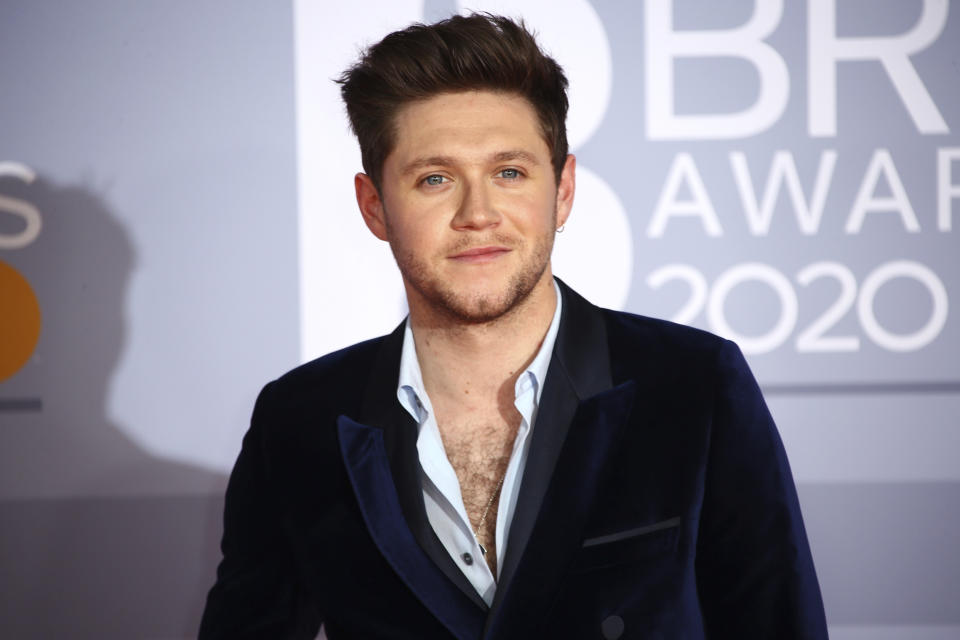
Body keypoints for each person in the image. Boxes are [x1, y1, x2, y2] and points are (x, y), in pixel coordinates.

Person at [199, 13, 827, 639]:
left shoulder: (693, 386)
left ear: (562, 191)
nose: (478, 213)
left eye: (509, 173)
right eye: (435, 179)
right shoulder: (300, 419)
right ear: (375, 207)